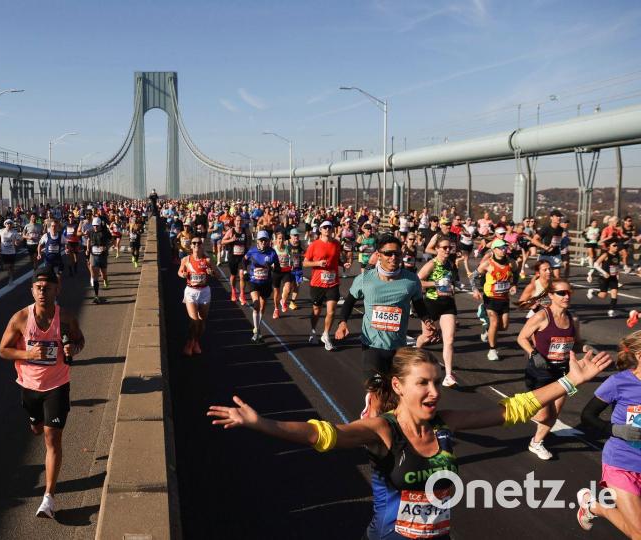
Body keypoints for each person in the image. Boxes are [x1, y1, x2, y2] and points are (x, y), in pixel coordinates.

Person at [208, 347, 612, 540]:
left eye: (436, 382)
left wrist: (570, 382)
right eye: (423, 383)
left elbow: (513, 409)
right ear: (399, 386)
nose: (434, 391)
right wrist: (262, 424)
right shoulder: (383, 430)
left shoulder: (445, 424)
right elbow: (324, 435)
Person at [0, 264, 85, 519]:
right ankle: (35, 420)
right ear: (32, 290)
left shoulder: (66, 317)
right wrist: (28, 354)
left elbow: (80, 340)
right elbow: (2, 350)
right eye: (38, 288)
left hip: (57, 384)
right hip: (29, 386)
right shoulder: (20, 318)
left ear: (57, 289)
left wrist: (73, 349)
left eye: (47, 288)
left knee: (52, 437)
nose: (42, 292)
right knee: (37, 429)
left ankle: (49, 498)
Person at [335, 234, 436, 418]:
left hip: (398, 347)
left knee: (396, 396)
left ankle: (385, 418)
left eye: (397, 253)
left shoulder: (411, 280)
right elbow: (349, 302)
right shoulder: (365, 279)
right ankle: (373, 422)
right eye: (388, 253)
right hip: (372, 346)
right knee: (378, 395)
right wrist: (342, 323)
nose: (393, 257)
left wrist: (428, 321)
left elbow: (419, 304)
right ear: (378, 254)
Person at [577, 330, 641, 537]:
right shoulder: (619, 382)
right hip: (622, 462)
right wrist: (615, 429)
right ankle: (596, 507)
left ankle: (593, 506)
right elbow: (587, 416)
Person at [516, 279, 584, 460]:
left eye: (569, 292)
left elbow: (577, 344)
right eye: (561, 293)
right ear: (551, 295)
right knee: (543, 415)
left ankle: (536, 442)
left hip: (563, 371)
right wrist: (533, 354)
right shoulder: (541, 316)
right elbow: (521, 338)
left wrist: (587, 349)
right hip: (541, 371)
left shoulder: (573, 319)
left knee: (556, 411)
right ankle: (523, 407)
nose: (566, 296)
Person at [417, 238, 460, 387]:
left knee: (449, 340)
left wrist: (452, 288)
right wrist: (435, 283)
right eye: (444, 247)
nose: (448, 250)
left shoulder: (450, 264)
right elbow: (417, 282)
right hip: (431, 303)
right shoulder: (431, 264)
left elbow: (450, 283)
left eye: (449, 247)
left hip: (448, 304)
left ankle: (448, 375)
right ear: (437, 249)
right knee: (427, 337)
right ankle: (415, 351)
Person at [304, 220, 348, 350]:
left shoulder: (336, 244)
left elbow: (336, 260)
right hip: (317, 283)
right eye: (325, 227)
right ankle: (313, 331)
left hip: (332, 282)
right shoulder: (314, 245)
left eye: (329, 227)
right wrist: (317, 263)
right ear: (320, 230)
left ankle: (326, 334)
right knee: (316, 310)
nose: (327, 229)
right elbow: (305, 263)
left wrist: (342, 264)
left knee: (331, 311)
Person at [472, 239, 517, 361]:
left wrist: (514, 284)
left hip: (504, 298)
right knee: (495, 323)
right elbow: (473, 277)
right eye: (501, 248)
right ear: (494, 250)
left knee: (504, 327)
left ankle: (487, 328)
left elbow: (516, 273)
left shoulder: (511, 262)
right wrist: (475, 290)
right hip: (490, 298)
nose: (504, 250)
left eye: (505, 248)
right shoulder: (488, 264)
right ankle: (492, 350)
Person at [178, 235, 214, 355]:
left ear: (202, 245)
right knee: (194, 320)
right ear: (191, 246)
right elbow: (179, 271)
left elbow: (216, 274)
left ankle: (196, 341)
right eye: (194, 243)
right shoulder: (186, 259)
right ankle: (189, 344)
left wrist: (211, 272)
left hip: (204, 292)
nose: (196, 245)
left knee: (202, 321)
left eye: (199, 243)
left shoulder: (207, 260)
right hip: (191, 292)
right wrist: (182, 274)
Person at [244, 230, 281, 343]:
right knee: (256, 304)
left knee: (262, 307)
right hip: (253, 281)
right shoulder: (252, 251)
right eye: (261, 240)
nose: (263, 242)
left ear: (268, 241)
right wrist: (244, 272)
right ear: (257, 241)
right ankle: (256, 331)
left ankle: (258, 328)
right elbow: (243, 261)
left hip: (266, 283)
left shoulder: (272, 253)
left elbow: (278, 267)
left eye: (265, 240)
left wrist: (273, 268)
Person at [587, 239, 623, 318]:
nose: (616, 247)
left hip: (613, 277)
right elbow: (596, 264)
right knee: (603, 295)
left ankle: (611, 311)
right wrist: (604, 273)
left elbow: (616, 265)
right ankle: (592, 292)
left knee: (614, 293)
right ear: (609, 247)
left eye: (617, 245)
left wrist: (617, 274)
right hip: (604, 277)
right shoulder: (606, 255)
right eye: (614, 245)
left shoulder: (618, 255)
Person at [221, 217, 248, 305]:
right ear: (234, 222)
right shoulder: (231, 231)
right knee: (233, 275)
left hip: (242, 257)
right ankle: (233, 290)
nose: (238, 222)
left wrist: (247, 252)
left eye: (240, 220)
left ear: (242, 222)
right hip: (233, 257)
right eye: (237, 221)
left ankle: (242, 294)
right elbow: (222, 241)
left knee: (242, 276)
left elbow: (249, 241)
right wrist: (231, 240)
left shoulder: (245, 231)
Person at [531, 210, 565, 278]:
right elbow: (534, 240)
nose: (559, 218)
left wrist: (562, 245)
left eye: (560, 216)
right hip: (545, 254)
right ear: (551, 217)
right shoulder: (546, 228)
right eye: (556, 216)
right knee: (540, 276)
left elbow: (557, 241)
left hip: (556, 254)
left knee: (557, 276)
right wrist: (544, 247)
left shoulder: (561, 229)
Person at [87, 217, 111, 304]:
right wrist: (87, 249)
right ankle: (96, 296)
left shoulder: (105, 232)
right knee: (95, 276)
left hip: (103, 256)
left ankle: (106, 280)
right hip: (94, 256)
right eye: (94, 226)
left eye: (97, 226)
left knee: (104, 275)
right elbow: (88, 240)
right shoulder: (91, 232)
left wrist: (106, 247)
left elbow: (112, 240)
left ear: (100, 225)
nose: (95, 227)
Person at [0, 219, 23, 286]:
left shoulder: (14, 232)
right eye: (7, 223)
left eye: (10, 224)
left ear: (12, 225)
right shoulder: (1, 231)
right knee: (6, 266)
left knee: (11, 267)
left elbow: (20, 239)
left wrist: (17, 242)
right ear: (5, 224)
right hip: (4, 252)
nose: (9, 225)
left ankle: (10, 279)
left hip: (12, 252)